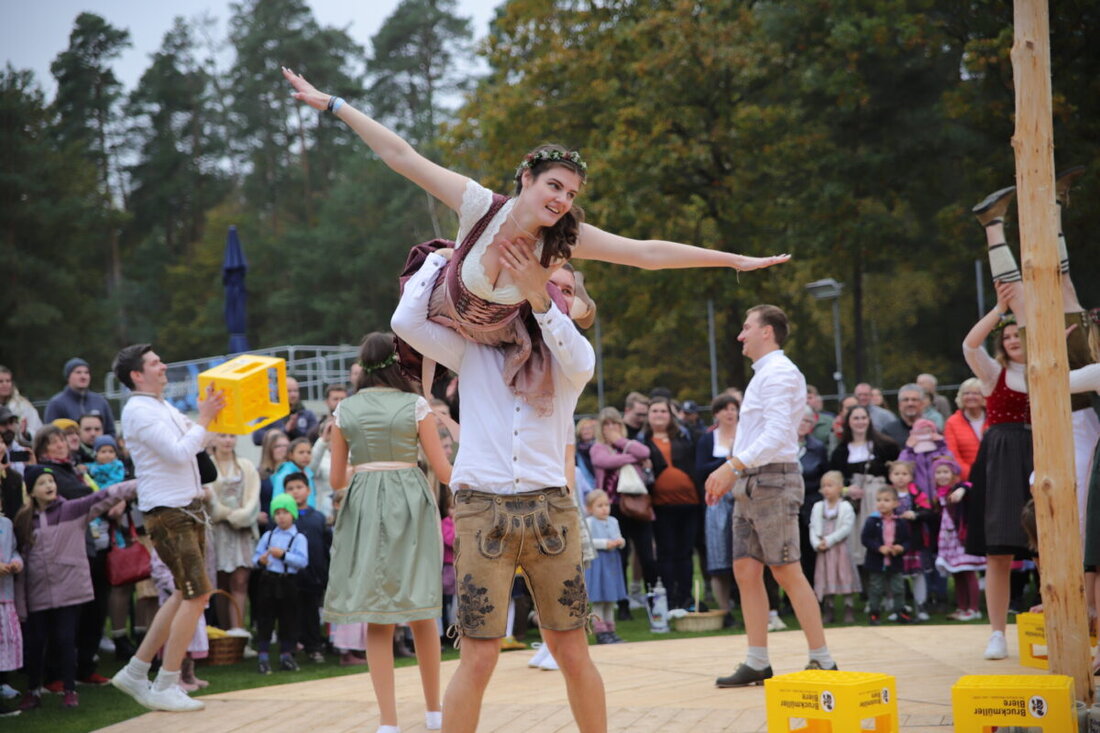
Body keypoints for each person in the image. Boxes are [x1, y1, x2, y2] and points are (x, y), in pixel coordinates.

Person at [283, 68, 787, 402]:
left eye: (570, 193)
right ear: (526, 179)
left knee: (517, 386)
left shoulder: (563, 240)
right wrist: (335, 105)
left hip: (494, 340)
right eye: (554, 186)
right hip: (439, 310)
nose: (562, 200)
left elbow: (647, 253)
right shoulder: (479, 204)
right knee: (403, 319)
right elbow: (403, 157)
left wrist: (733, 259)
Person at [392, 241, 605, 732]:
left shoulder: (573, 359)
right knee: (479, 656)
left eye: (566, 290)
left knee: (572, 650)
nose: (555, 292)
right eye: (552, 282)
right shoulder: (475, 351)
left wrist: (542, 297)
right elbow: (406, 324)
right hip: (480, 510)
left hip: (550, 510)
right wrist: (440, 261)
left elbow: (570, 344)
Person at [322, 331, 453, 733]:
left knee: (378, 614)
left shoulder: (346, 410)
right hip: (410, 501)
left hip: (364, 504)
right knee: (421, 608)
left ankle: (388, 722)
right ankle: (434, 712)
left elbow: (335, 481)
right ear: (397, 362)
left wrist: (366, 472)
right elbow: (444, 471)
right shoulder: (415, 405)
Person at [705, 304, 834, 686]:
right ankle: (758, 661)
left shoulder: (779, 373)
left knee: (786, 568)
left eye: (747, 327)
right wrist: (733, 470)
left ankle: (822, 660)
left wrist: (731, 466)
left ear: (767, 332)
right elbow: (763, 434)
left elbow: (779, 435)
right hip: (753, 479)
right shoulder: (765, 374)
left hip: (773, 480)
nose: (740, 335)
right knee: (745, 570)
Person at [109, 343, 227, 713]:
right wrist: (205, 420)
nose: (164, 366)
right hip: (169, 511)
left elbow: (193, 442)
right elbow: (179, 452)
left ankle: (136, 671)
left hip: (184, 508)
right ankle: (166, 682)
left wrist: (209, 418)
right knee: (196, 595)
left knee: (184, 593)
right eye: (155, 363)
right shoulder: (138, 411)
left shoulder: (159, 406)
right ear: (136, 375)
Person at [14, 465, 136, 711]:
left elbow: (104, 496)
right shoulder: (23, 520)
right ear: (31, 491)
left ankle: (70, 690)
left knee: (66, 640)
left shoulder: (73, 509)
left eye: (51, 481)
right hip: (36, 593)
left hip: (69, 590)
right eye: (42, 483)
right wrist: (21, 602)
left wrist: (141, 483)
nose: (49, 486)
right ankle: (34, 690)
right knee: (36, 643)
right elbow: (20, 556)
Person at [590, 406, 657, 617]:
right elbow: (605, 462)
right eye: (606, 424)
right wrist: (633, 457)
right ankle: (623, 605)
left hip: (638, 505)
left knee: (647, 554)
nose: (611, 428)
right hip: (613, 507)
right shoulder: (597, 447)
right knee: (620, 556)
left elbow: (646, 452)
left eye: (615, 423)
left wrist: (621, 442)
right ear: (600, 428)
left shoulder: (629, 444)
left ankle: (654, 601)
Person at [640, 396, 700, 610]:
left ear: (670, 414)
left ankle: (686, 599)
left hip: (690, 504)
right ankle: (669, 600)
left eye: (663, 411)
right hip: (661, 506)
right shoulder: (642, 441)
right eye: (654, 411)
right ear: (648, 415)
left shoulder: (684, 436)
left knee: (685, 553)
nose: (659, 415)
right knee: (666, 553)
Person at [828, 405, 899, 570]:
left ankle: (891, 580)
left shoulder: (886, 446)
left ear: (869, 420)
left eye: (863, 418)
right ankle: (865, 583)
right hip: (855, 503)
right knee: (859, 539)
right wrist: (847, 490)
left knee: (885, 536)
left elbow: (897, 471)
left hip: (880, 499)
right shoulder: (840, 452)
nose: (860, 422)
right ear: (849, 422)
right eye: (855, 418)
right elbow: (834, 479)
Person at [205, 433, 260, 633]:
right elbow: (210, 502)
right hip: (218, 531)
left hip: (242, 531)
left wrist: (241, 516)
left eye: (231, 436)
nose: (227, 440)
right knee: (221, 584)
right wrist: (227, 514)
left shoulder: (246, 465)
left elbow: (254, 499)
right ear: (214, 439)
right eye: (222, 436)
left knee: (240, 581)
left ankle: (239, 633)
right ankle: (225, 633)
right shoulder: (207, 465)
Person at [252, 493, 308, 674]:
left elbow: (302, 561)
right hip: (268, 581)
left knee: (288, 619)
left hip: (287, 582)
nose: (281, 517)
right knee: (265, 618)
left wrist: (283, 555)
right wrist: (260, 561)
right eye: (277, 513)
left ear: (292, 514)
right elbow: (255, 557)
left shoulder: (298, 537)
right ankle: (263, 656)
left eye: (285, 512)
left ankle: (286, 654)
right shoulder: (268, 536)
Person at [696, 394, 740, 626]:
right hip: (717, 502)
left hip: (743, 498)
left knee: (745, 557)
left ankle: (751, 608)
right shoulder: (708, 439)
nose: (730, 413)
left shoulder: (746, 434)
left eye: (733, 408)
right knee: (718, 557)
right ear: (716, 413)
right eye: (724, 409)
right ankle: (725, 612)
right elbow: (700, 469)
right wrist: (727, 461)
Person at [931, 457, 984, 621]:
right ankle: (961, 607)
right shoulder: (939, 495)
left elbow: (968, 486)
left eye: (945, 472)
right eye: (938, 472)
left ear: (954, 474)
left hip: (962, 538)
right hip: (948, 540)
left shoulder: (958, 489)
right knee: (957, 574)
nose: (942, 476)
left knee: (968, 572)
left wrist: (961, 490)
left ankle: (974, 609)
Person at [285, 472, 329, 663]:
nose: (295, 492)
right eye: (290, 489)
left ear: (308, 490)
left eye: (299, 487)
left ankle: (314, 646)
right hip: (290, 576)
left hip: (314, 576)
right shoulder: (284, 519)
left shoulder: (318, 517)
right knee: (290, 612)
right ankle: (291, 645)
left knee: (311, 612)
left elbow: (325, 547)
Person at [809, 471, 860, 624]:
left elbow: (846, 527)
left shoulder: (845, 507)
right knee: (825, 577)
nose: (826, 489)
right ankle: (828, 609)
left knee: (844, 575)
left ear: (840, 488)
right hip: (824, 551)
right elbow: (813, 526)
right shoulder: (818, 506)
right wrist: (817, 543)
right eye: (823, 486)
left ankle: (848, 607)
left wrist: (830, 540)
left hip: (840, 549)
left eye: (830, 485)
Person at [860, 486, 912, 625]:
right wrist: (878, 548)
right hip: (877, 561)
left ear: (896, 503)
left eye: (886, 500)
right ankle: (874, 612)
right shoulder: (872, 520)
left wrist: (901, 547)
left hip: (895, 561)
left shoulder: (900, 522)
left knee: (898, 587)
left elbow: (907, 540)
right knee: (876, 588)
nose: (881, 503)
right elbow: (865, 539)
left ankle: (900, 611)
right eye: (879, 500)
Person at [584, 489, 627, 644]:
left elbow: (619, 537)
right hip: (597, 563)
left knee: (610, 598)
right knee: (599, 598)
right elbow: (588, 542)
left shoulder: (613, 521)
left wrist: (620, 542)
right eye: (599, 506)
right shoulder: (589, 522)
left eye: (606, 505)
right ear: (589, 508)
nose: (604, 509)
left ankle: (611, 630)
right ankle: (600, 631)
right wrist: (605, 544)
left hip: (612, 563)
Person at [44, 358, 116, 436]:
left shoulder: (100, 401)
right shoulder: (57, 404)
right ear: (68, 376)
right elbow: (50, 435)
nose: (83, 376)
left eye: (86, 372)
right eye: (78, 372)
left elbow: (111, 432)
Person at [0, 507, 22, 717]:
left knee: (4, 644)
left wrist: (17, 562)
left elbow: (14, 549)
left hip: (5, 596)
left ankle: (3, 684)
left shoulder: (6, 524)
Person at [251, 376, 318, 446]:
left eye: (295, 391)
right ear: (278, 393)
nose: (293, 395)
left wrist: (295, 430)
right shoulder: (269, 414)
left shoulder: (307, 414)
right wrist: (285, 430)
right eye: (288, 391)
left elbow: (314, 438)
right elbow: (257, 438)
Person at [943, 378, 986, 481]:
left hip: (996, 476)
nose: (970, 396)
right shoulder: (952, 422)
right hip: (967, 480)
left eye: (976, 393)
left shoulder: (994, 420)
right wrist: (972, 475)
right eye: (966, 393)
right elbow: (953, 454)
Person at [0, 365, 41, 440]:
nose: (5, 384)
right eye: (1, 381)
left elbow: (38, 431)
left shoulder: (23, 405)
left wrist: (26, 434)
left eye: (8, 381)